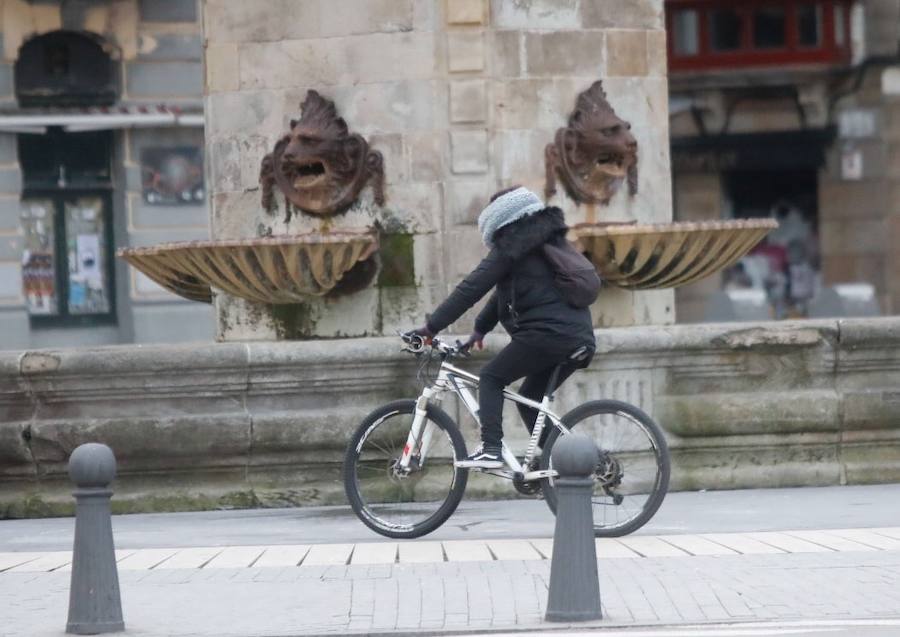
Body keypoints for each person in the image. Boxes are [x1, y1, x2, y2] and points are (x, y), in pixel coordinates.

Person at [410, 186, 596, 469]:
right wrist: (480, 330)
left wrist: (431, 328)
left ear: (501, 219)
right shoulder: (543, 244)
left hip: (547, 335)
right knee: (529, 399)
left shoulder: (513, 245)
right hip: (576, 336)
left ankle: (491, 449)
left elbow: (472, 288)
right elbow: (502, 294)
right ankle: (580, 464)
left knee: (491, 377)